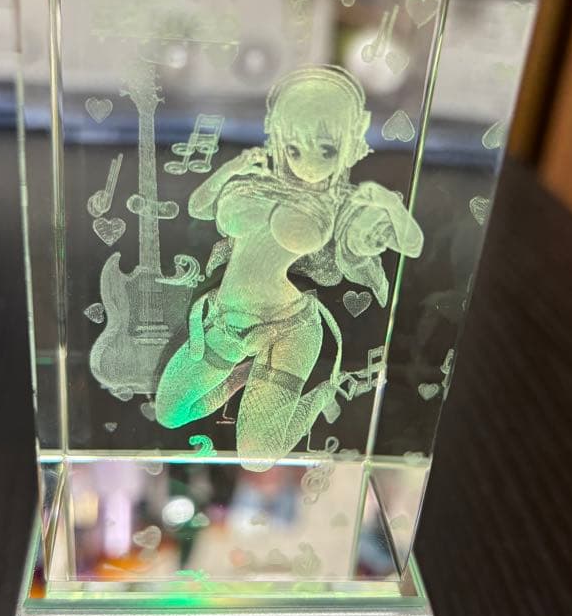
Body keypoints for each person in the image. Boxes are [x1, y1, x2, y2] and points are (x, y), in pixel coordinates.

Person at [155, 65, 423, 470]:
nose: (309, 163)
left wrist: (387, 202)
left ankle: (325, 391)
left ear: (350, 143)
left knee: (256, 457)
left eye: (326, 150)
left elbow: (412, 245)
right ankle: (246, 375)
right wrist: (231, 168)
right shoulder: (255, 179)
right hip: (227, 319)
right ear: (279, 138)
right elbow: (198, 206)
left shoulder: (342, 204)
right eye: (295, 148)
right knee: (170, 412)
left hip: (289, 327)